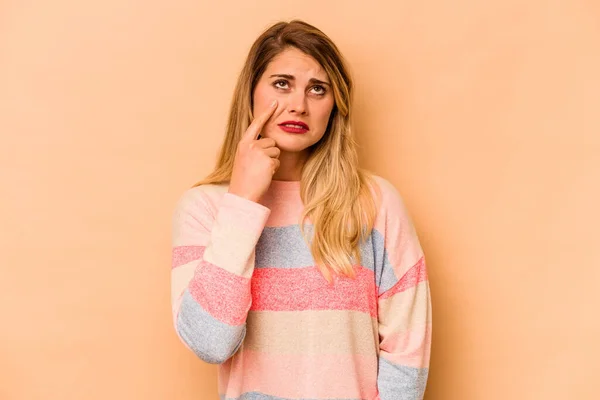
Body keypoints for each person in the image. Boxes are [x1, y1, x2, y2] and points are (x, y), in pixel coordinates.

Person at [170, 19, 432, 400]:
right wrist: (242, 203)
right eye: (282, 84)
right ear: (251, 94)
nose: (298, 105)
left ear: (335, 105)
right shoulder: (206, 208)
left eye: (317, 89)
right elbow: (211, 343)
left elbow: (408, 355)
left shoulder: (376, 204)